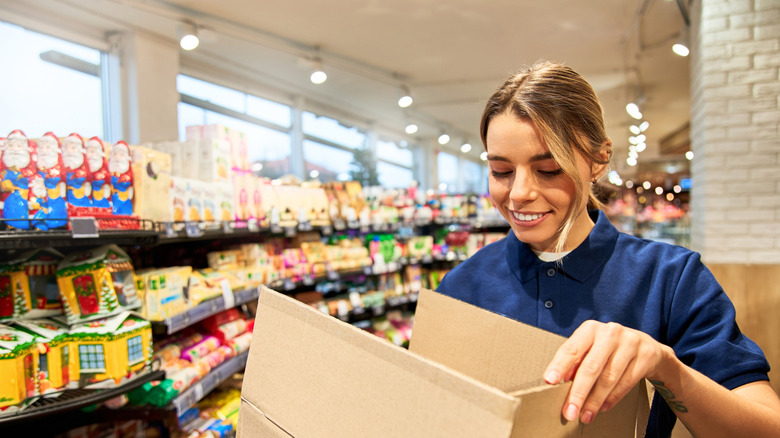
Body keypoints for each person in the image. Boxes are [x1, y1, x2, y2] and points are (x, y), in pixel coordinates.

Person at [435, 61, 780, 437]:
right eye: (501, 171)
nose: (519, 193)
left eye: (549, 169)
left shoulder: (670, 278)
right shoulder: (461, 287)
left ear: (599, 159)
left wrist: (666, 368)